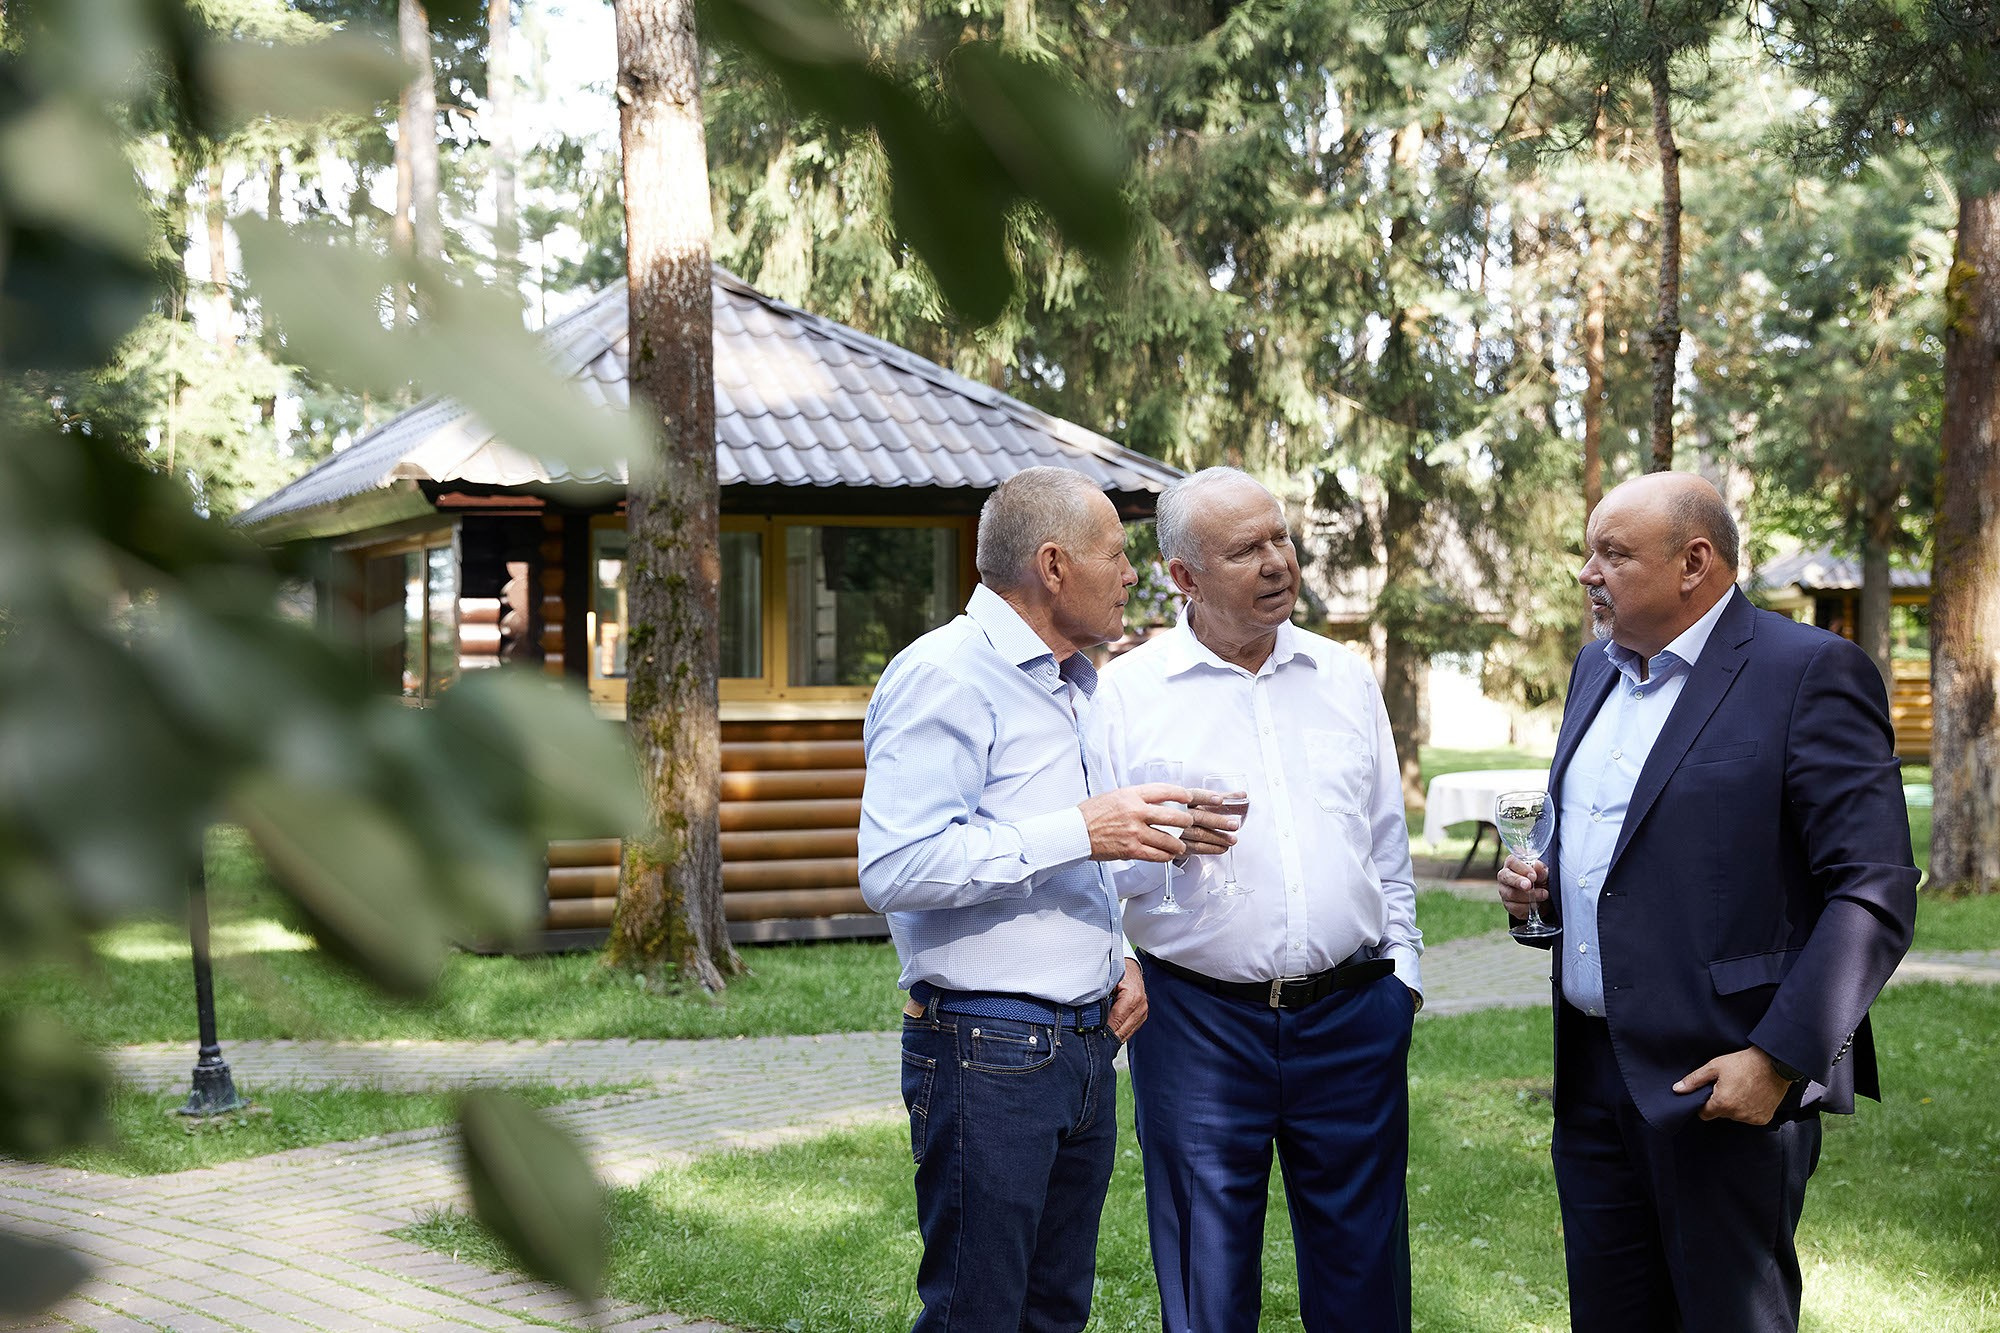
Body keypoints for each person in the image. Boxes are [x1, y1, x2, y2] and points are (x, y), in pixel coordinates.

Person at [1496, 471, 1918, 1332]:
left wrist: (1778, 1059)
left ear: (1695, 561)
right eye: (1589, 551)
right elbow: (1626, 855)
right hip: (1592, 1079)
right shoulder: (1593, 672)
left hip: (1724, 1081)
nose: (1587, 572)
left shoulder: (1809, 671)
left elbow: (1871, 889)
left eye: (1611, 553)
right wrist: (1542, 889)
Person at [859, 466, 1240, 1333]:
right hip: (985, 1048)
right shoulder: (946, 675)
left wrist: (1123, 956)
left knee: (1052, 1315)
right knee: (977, 1316)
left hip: (1080, 1048)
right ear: (1055, 565)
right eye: (1118, 555)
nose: (1134, 574)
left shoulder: (1074, 684)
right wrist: (1081, 828)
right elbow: (896, 865)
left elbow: (1075, 856)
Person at [1093, 467, 1423, 1333]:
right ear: (1183, 576)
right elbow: (1090, 872)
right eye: (1248, 549)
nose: (1280, 562)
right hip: (1197, 1023)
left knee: (1368, 1284)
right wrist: (1159, 846)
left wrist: (1404, 983)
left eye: (1281, 537)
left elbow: (1386, 843)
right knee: (1207, 1286)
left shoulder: (1344, 678)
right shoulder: (1124, 697)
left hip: (1354, 1017)